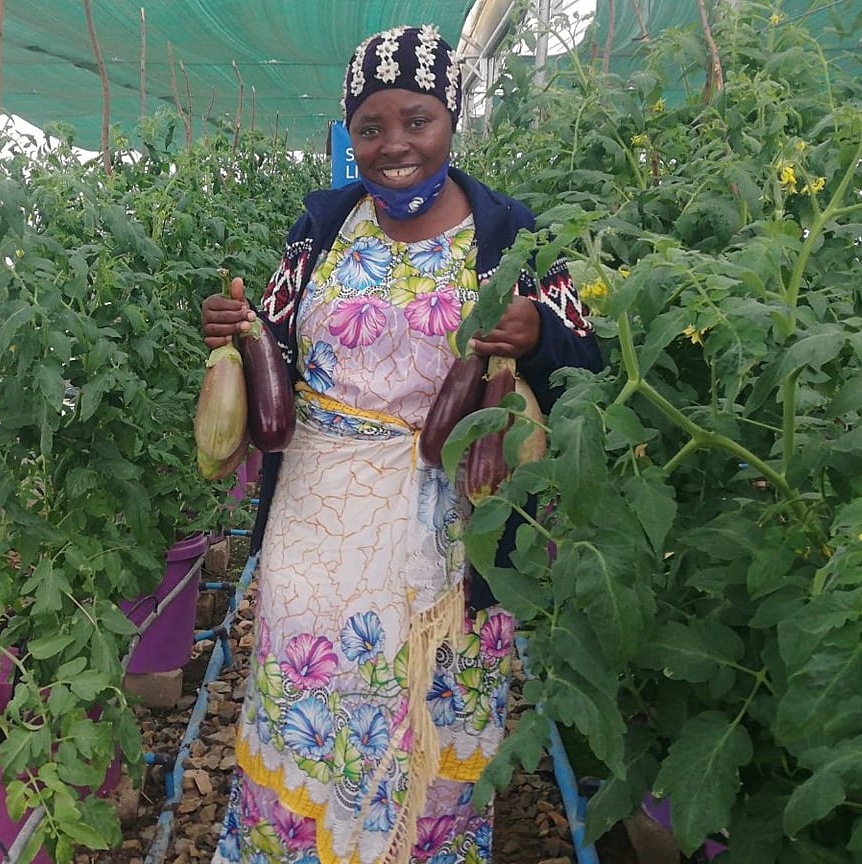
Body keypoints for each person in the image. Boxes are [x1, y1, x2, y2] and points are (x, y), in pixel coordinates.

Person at [200, 24, 603, 864]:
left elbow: (587, 357)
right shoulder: (322, 225)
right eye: (371, 126)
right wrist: (233, 330)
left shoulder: (509, 234)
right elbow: (271, 333)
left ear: (452, 119)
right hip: (317, 517)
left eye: (415, 120)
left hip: (453, 519)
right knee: (307, 695)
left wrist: (535, 341)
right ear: (351, 134)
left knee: (431, 707)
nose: (394, 146)